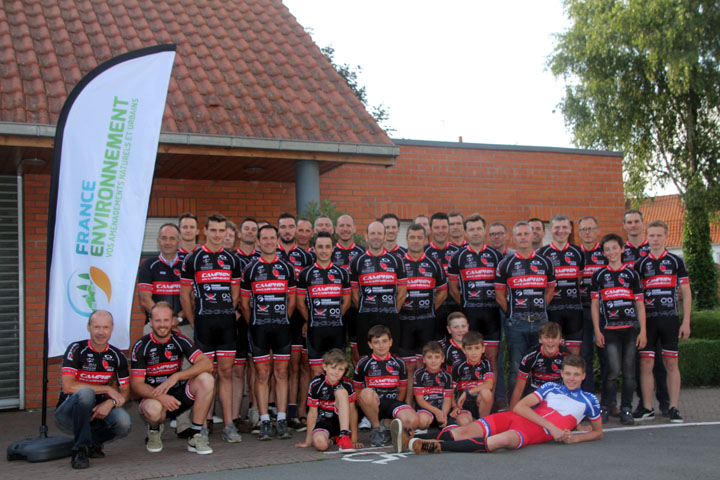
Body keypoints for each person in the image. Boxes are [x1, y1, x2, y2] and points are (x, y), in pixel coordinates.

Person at [394, 355, 602, 454]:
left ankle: (433, 446)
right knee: (463, 431)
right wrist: (553, 428)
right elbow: (520, 407)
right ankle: (410, 437)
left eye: (576, 375)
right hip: (515, 417)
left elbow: (597, 432)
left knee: (498, 442)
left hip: (528, 433)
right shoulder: (550, 388)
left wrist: (574, 439)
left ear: (583, 376)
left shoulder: (590, 400)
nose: (571, 378)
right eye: (568, 374)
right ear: (562, 374)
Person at [180, 213, 243, 442]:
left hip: (226, 325)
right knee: (206, 375)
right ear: (205, 231)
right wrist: (194, 320)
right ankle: (203, 425)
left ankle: (228, 425)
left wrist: (228, 311)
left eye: (222, 231)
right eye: (213, 230)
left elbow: (235, 292)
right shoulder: (193, 259)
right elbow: (185, 296)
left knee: (225, 373)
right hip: (204, 325)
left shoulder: (232, 260)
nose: (218, 235)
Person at [131, 302, 215, 454]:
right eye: (157, 320)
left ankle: (195, 434)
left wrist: (177, 376)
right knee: (153, 409)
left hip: (177, 396)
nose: (162, 325)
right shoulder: (141, 346)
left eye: (166, 320)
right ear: (150, 322)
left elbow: (207, 364)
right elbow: (136, 386)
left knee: (206, 379)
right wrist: (161, 397)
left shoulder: (180, 339)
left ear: (172, 321)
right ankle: (154, 430)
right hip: (154, 397)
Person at [54, 310, 131, 469]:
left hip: (98, 411)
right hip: (68, 413)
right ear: (88, 327)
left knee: (124, 423)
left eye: (105, 327)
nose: (101, 332)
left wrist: (111, 402)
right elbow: (68, 386)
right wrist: (106, 389)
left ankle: (91, 442)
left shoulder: (117, 356)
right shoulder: (76, 349)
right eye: (96, 327)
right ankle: (79, 450)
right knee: (86, 394)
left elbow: (125, 392)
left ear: (112, 329)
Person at [240, 224, 296, 440]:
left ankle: (281, 418)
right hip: (259, 328)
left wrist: (282, 319)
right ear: (258, 242)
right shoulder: (251, 269)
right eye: (265, 239)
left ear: (277, 241)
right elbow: (245, 304)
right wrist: (255, 323)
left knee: (282, 373)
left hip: (281, 328)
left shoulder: (287, 268)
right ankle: (264, 419)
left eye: (273, 238)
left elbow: (292, 301)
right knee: (262, 374)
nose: (269, 242)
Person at [634, 220, 691, 423]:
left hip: (670, 319)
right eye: (651, 236)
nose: (655, 239)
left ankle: (674, 407)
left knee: (671, 362)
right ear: (646, 237)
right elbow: (635, 296)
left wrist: (686, 322)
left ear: (666, 237)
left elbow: (686, 291)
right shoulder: (640, 264)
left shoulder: (676, 261)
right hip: (648, 321)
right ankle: (647, 407)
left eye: (659, 235)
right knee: (646, 363)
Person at [591, 233, 647, 425]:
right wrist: (597, 331)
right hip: (609, 330)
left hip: (631, 329)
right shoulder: (599, 276)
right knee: (612, 370)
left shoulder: (632, 274)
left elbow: (640, 305)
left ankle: (626, 409)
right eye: (608, 249)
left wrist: (643, 331)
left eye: (615, 248)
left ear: (622, 249)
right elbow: (594, 305)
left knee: (630, 372)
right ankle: (605, 407)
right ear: (604, 253)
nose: (612, 252)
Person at [495, 222, 556, 397]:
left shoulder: (545, 262)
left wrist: (541, 308)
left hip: (540, 323)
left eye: (526, 234)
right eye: (519, 234)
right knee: (516, 367)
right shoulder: (505, 264)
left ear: (533, 236)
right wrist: (513, 313)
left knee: (542, 365)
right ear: (513, 238)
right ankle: (516, 407)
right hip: (516, 324)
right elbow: (500, 296)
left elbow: (551, 290)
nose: (523, 237)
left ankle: (542, 404)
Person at [622, 209, 669, 416]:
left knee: (659, 360)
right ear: (625, 226)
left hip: (655, 312)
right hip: (628, 313)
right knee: (639, 362)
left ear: (643, 223)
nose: (633, 225)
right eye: (629, 222)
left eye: (636, 221)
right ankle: (644, 403)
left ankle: (665, 402)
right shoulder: (621, 250)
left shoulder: (651, 246)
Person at [447, 214, 503, 384]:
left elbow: (502, 288)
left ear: (484, 231)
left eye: (479, 229)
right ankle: (469, 397)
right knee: (469, 357)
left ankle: (494, 401)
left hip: (492, 314)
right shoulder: (458, 257)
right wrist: (465, 305)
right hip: (470, 313)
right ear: (465, 232)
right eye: (471, 229)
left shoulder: (496, 255)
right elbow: (453, 288)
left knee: (492, 359)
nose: (476, 232)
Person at [398, 224, 447, 402]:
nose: (416, 241)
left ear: (426, 240)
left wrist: (431, 308)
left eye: (420, 237)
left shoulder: (434, 264)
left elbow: (443, 291)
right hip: (405, 321)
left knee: (424, 365)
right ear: (407, 239)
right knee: (407, 366)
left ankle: (423, 404)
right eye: (412, 237)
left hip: (426, 321)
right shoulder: (399, 262)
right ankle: (407, 404)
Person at [353, 325, 420, 446]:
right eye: (376, 342)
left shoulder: (399, 363)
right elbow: (357, 392)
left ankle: (388, 425)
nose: (381, 345)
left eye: (384, 341)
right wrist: (366, 407)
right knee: (366, 393)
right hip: (372, 404)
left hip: (391, 403)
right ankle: (376, 428)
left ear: (390, 342)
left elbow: (402, 390)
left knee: (413, 421)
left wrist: (393, 412)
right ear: (370, 345)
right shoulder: (363, 363)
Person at [276, 213, 313, 432]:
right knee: (283, 367)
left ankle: (301, 411)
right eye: (284, 227)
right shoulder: (271, 254)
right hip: (276, 319)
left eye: (292, 226)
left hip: (302, 319)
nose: (288, 230)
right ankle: (283, 411)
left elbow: (310, 290)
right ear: (278, 230)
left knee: (303, 366)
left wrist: (309, 318)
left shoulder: (306, 256)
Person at [296, 232, 352, 376]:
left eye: (327, 247)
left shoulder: (342, 273)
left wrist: (336, 316)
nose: (324, 250)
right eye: (320, 247)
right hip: (315, 330)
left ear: (333, 248)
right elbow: (299, 302)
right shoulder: (305, 274)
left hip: (337, 330)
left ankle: (336, 399)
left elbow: (346, 302)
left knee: (338, 371)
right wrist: (311, 319)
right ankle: (319, 399)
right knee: (317, 371)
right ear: (313, 248)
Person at [350, 221, 407, 356]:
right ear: (366, 236)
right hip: (365, 316)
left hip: (390, 316)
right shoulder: (357, 261)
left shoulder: (397, 260)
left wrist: (392, 311)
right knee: (365, 356)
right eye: (373, 233)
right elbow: (354, 294)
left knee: (391, 356)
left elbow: (402, 293)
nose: (376, 237)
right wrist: (365, 310)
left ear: (385, 236)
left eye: (379, 234)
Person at [536, 214, 585, 355]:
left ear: (570, 229)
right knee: (552, 353)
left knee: (574, 354)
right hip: (552, 310)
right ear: (550, 230)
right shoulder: (542, 253)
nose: (561, 231)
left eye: (564, 227)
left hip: (574, 309)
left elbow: (579, 278)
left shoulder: (578, 252)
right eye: (557, 227)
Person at [295, 349, 360, 452]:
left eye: (341, 369)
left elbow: (352, 410)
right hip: (323, 422)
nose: (336, 372)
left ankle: (344, 436)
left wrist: (354, 439)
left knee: (341, 392)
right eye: (333, 368)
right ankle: (334, 440)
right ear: (325, 367)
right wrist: (308, 441)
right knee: (320, 445)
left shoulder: (347, 384)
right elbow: (312, 412)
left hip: (341, 422)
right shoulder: (316, 384)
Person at [137, 223, 188, 336]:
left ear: (179, 242)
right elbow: (145, 299)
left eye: (172, 238)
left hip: (184, 326)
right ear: (158, 241)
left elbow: (193, 298)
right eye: (164, 238)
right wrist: (164, 321)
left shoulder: (187, 264)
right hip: (155, 327)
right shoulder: (148, 265)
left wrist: (178, 318)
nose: (168, 242)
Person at [577, 215, 607, 393]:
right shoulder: (574, 253)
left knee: (606, 357)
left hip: (604, 312)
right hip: (582, 310)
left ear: (598, 231)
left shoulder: (605, 252)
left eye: (591, 229)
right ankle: (588, 397)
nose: (587, 233)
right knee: (585, 357)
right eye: (583, 230)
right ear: (579, 232)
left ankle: (608, 401)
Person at [509, 321, 569, 409]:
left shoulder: (566, 356)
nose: (550, 341)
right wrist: (511, 416)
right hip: (536, 394)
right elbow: (519, 388)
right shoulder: (530, 356)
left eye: (554, 337)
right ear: (540, 339)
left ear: (560, 340)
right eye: (546, 337)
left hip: (558, 394)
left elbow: (573, 383)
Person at [332, 214, 365, 363]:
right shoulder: (328, 250)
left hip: (356, 308)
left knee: (357, 352)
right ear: (335, 229)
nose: (345, 229)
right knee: (335, 352)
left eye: (348, 226)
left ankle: (357, 384)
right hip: (333, 308)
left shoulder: (363, 252)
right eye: (342, 226)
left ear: (354, 229)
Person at [425, 212, 462, 339]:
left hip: (456, 308)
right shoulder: (424, 252)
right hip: (433, 309)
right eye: (436, 227)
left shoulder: (459, 253)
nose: (440, 231)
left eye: (444, 227)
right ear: (430, 230)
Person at [450, 331, 494, 425]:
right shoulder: (458, 366)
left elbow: (489, 384)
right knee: (463, 422)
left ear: (483, 349)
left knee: (486, 392)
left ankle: (483, 424)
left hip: (480, 404)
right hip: (464, 405)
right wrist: (454, 407)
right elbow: (451, 390)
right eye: (469, 349)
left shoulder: (486, 364)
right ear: (463, 350)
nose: (473, 352)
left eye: (477, 348)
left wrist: (468, 392)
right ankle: (475, 424)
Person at [412, 341, 453, 430]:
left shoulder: (447, 376)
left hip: (442, 410)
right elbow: (420, 400)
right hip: (425, 410)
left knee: (452, 429)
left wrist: (443, 415)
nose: (433, 361)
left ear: (442, 359)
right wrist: (436, 412)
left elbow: (447, 400)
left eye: (437, 357)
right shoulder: (419, 374)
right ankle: (420, 436)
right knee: (423, 421)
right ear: (423, 359)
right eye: (429, 357)